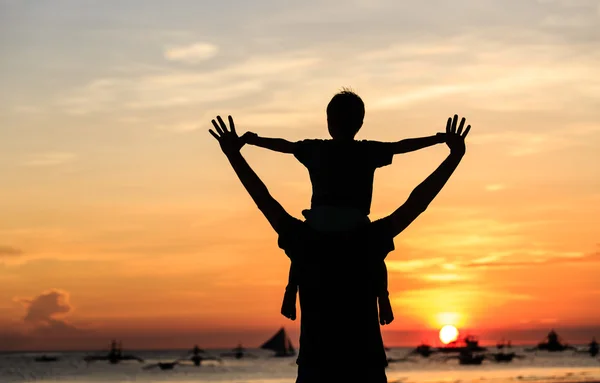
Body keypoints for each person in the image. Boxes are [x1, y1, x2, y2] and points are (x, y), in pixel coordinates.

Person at [209, 114, 470, 383]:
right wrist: (452, 155)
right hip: (364, 365)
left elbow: (262, 197)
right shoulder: (368, 240)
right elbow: (417, 201)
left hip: (317, 366)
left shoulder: (303, 240)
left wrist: (234, 155)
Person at [243, 89, 446, 324]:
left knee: (299, 250)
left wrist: (253, 140)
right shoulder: (365, 150)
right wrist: (437, 139)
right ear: (359, 122)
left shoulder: (316, 149)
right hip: (356, 222)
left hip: (319, 220)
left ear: (329, 122)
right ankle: (383, 297)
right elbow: (402, 146)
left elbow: (284, 145)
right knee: (376, 253)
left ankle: (290, 292)